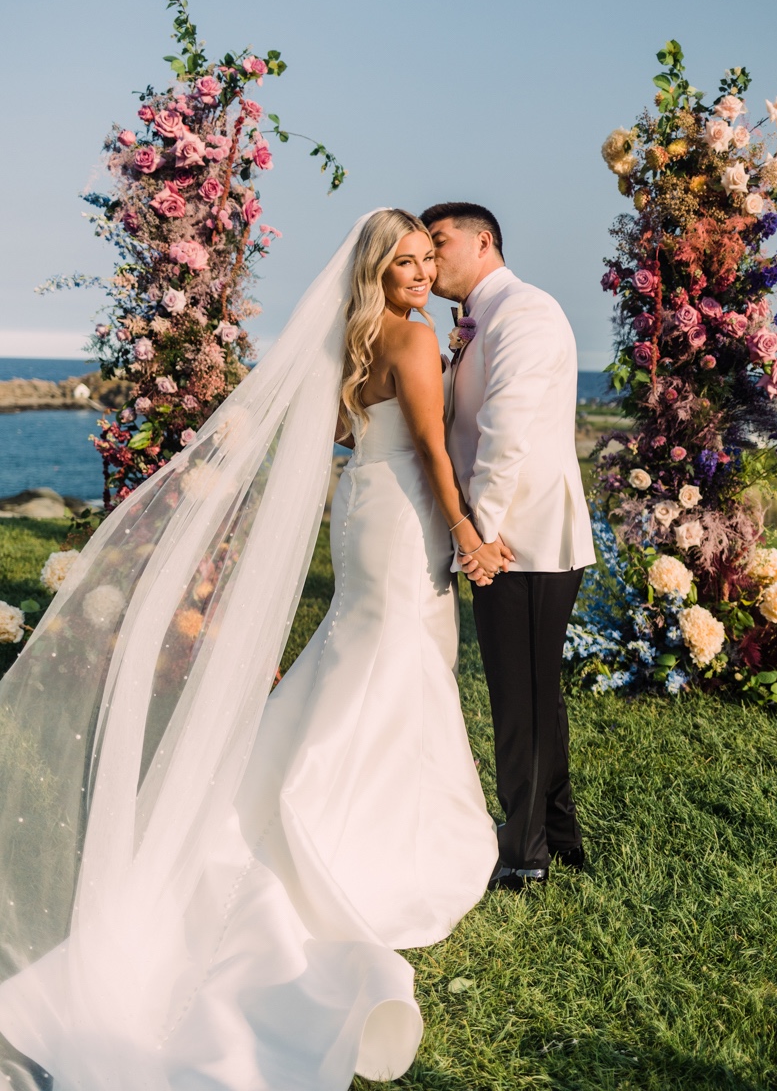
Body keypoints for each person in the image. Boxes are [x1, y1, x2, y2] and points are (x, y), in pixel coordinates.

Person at [0, 210, 499, 1091]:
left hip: (360, 509)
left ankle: (305, 791)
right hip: (407, 514)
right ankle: (354, 826)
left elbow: (351, 437)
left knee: (366, 651)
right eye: (408, 263)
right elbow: (428, 447)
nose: (422, 276)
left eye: (429, 262)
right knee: (396, 661)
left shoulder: (356, 338)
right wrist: (468, 533)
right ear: (380, 269)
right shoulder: (416, 341)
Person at [419, 201, 596, 890]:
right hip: (514, 538)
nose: (430, 261)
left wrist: (480, 535)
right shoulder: (481, 320)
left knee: (518, 701)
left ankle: (523, 858)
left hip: (523, 540)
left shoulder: (523, 312)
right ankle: (556, 835)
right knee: (535, 693)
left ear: (482, 240)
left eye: (439, 244)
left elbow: (506, 433)